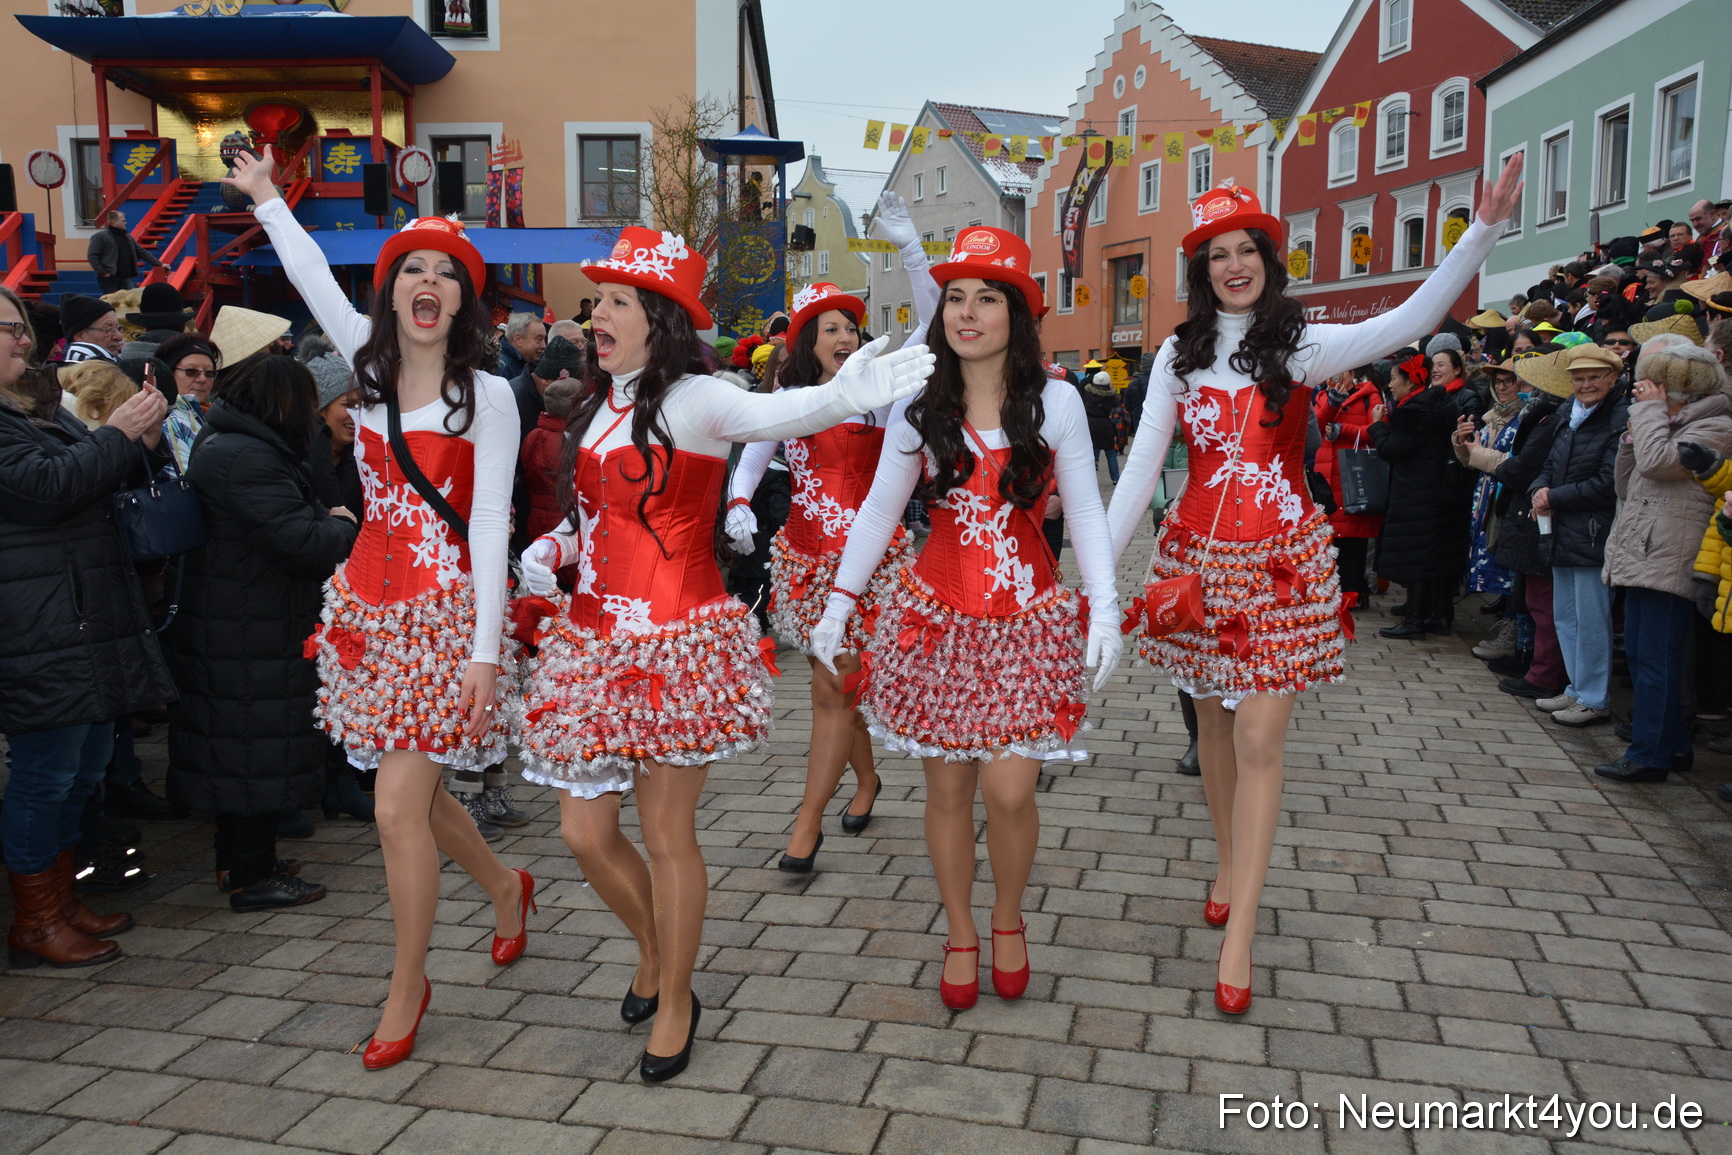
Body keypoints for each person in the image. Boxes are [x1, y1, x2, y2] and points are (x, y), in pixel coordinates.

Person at [516, 225, 934, 1083]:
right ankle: (654, 947)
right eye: (598, 300)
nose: (598, 313)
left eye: (618, 301)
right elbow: (594, 520)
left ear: (659, 317)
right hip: (590, 646)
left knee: (667, 834)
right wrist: (553, 550)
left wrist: (846, 391)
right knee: (583, 832)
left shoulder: (698, 398)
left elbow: (783, 414)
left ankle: (676, 995)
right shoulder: (595, 408)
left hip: (675, 643)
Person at [1105, 160, 1522, 1016]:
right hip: (1196, 562)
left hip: (1283, 563)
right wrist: (1102, 586)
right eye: (1217, 252)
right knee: (1213, 725)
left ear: (1268, 256)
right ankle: (1227, 860)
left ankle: (1241, 928)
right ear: (1201, 268)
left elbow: (1408, 317)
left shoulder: (1301, 344)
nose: (1233, 264)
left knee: (1259, 736)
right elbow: (1142, 467)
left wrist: (1478, 230)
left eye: (1246, 248)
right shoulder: (1177, 357)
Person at [228, 147, 532, 1070]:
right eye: (413, 269)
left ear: (464, 301)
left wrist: (485, 651)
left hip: (445, 617)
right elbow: (312, 273)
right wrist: (271, 200)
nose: (428, 280)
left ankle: (408, 981)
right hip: (362, 608)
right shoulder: (362, 371)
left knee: (398, 802)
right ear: (393, 290)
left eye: (447, 271)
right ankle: (507, 887)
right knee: (418, 794)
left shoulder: (489, 395)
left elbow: (488, 523)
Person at [810, 224, 1121, 1015]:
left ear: (1017, 312)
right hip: (937, 620)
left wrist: (1107, 607)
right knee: (946, 791)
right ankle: (958, 930)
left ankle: (1008, 917)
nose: (968, 312)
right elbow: (882, 510)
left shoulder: (1056, 401)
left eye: (987, 297)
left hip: (1027, 619)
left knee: (1011, 790)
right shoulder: (920, 405)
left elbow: (1083, 506)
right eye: (955, 297)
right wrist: (840, 604)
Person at [723, 201, 930, 875]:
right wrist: (737, 500)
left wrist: (911, 251)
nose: (845, 335)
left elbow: (929, 325)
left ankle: (806, 822)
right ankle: (865, 780)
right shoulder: (794, 399)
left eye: (852, 325)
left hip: (871, 565)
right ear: (809, 340)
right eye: (831, 327)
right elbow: (755, 448)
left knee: (833, 689)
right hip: (804, 561)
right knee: (839, 685)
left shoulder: (885, 395)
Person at [0, 285, 175, 968]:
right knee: (47, 772)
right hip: (36, 621)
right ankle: (36, 919)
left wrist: (144, 439)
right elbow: (50, 489)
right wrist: (119, 431)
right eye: (10, 329)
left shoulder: (23, 406)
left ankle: (60, 899)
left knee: (82, 765)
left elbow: (92, 471)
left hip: (74, 616)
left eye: (21, 328)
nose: (25, 340)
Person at [164, 355, 360, 907]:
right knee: (252, 747)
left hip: (241, 618)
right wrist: (340, 524)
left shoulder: (232, 444)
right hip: (248, 626)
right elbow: (303, 543)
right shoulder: (248, 457)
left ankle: (243, 859)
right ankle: (252, 873)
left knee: (241, 747)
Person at [1596, 345, 1732, 780]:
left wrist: (1649, 416)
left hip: (1670, 556)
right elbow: (1625, 483)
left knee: (1659, 662)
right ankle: (1671, 747)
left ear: (1681, 391)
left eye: (1653, 388)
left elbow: (1658, 465)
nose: (1643, 394)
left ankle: (1649, 756)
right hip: (1643, 552)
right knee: (1641, 656)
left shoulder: (1717, 426)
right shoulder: (1662, 421)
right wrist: (1634, 433)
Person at [1529, 343, 1630, 728]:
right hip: (1562, 529)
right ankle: (1576, 688)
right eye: (1579, 379)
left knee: (1592, 619)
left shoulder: (1618, 417)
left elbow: (1607, 483)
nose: (1585, 385)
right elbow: (1550, 465)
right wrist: (1539, 489)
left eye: (1593, 378)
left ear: (1612, 379)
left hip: (1593, 532)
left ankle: (1594, 697)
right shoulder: (1569, 414)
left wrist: (1552, 495)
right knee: (1567, 617)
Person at [1371, 352, 1459, 638]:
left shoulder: (1412, 412)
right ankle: (1439, 615)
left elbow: (1391, 450)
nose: (1390, 385)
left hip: (1416, 493)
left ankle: (1415, 620)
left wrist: (1377, 425)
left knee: (1416, 556)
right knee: (1434, 554)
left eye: (1395, 378)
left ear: (1410, 381)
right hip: (1437, 490)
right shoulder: (1439, 403)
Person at [1454, 357, 1525, 652]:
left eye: (1510, 381)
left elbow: (1515, 464)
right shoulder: (1492, 416)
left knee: (1510, 568)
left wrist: (1478, 453)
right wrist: (1461, 442)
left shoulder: (1526, 417)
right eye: (1498, 382)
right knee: (1495, 561)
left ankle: (1515, 633)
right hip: (1486, 497)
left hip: (1508, 500)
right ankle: (1510, 627)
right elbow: (1474, 461)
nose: (1503, 387)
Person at [1314, 363, 1388, 605]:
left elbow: (1378, 430)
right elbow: (1314, 427)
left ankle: (1354, 593)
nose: (1333, 377)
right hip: (1326, 476)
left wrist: (1342, 430)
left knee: (1353, 539)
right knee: (1329, 539)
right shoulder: (1324, 396)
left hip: (1353, 477)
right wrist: (1332, 402)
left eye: (1339, 372)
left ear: (1353, 373)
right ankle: (1334, 593)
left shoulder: (1370, 396)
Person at [153, 332, 219, 472]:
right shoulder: (167, 419)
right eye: (191, 371)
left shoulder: (214, 415)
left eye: (209, 373)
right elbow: (186, 478)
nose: (202, 379)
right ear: (169, 373)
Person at [87, 211, 167, 294]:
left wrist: (159, 264)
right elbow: (92, 256)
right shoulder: (100, 237)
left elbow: (141, 251)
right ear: (115, 222)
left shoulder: (127, 236)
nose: (126, 223)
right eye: (123, 221)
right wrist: (103, 273)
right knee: (112, 302)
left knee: (131, 300)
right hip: (110, 278)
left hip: (126, 276)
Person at [57, 295, 125, 364]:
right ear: (79, 335)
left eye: (118, 328)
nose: (119, 337)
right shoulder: (78, 372)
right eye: (107, 329)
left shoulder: (122, 366)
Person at [1082, 370, 1123, 482]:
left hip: (1090, 424)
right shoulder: (1110, 396)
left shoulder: (1087, 393)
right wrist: (1113, 390)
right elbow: (1116, 403)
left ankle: (1090, 479)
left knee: (1093, 452)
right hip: (1105, 425)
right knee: (1110, 453)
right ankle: (1115, 479)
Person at [497, 311, 547, 382]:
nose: (544, 346)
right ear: (518, 339)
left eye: (544, 339)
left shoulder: (533, 363)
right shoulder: (502, 368)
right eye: (539, 339)